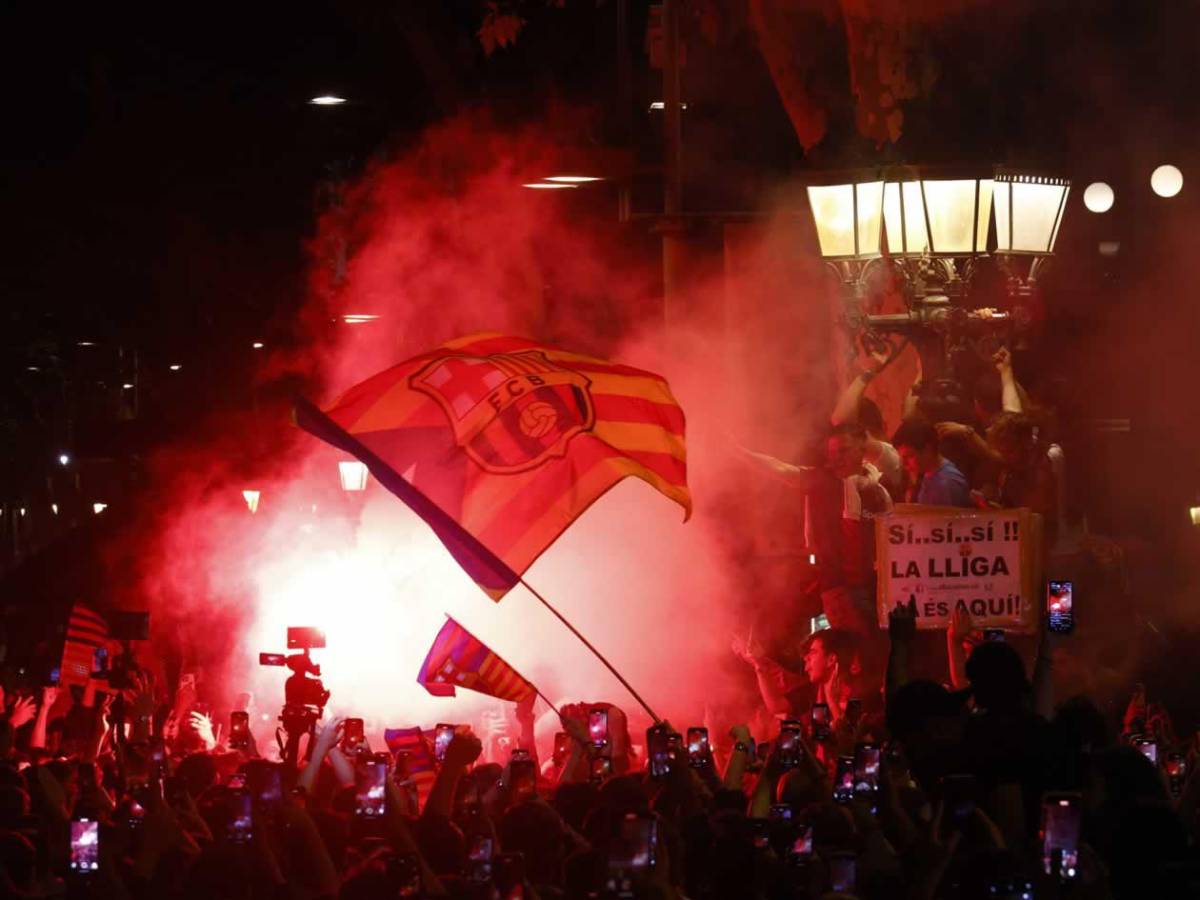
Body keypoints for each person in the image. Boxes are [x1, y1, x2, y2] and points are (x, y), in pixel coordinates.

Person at [892, 416, 972, 507]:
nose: (904, 463)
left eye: (909, 456)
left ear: (927, 449)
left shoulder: (947, 485)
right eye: (902, 457)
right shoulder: (928, 474)